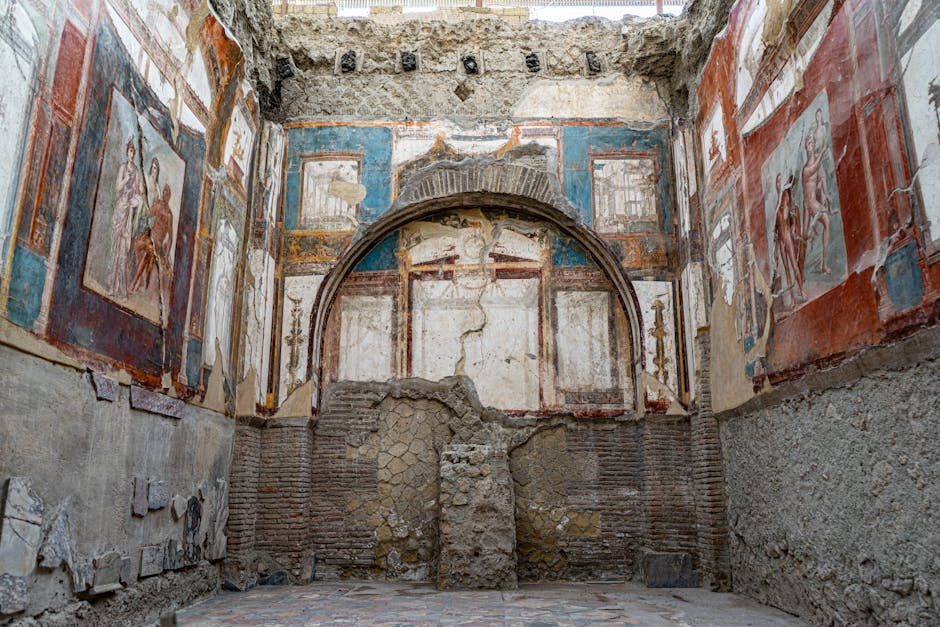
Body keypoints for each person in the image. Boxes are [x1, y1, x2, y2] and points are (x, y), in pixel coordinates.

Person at [106, 138, 144, 299]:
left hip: (128, 211)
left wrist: (138, 198)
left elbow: (139, 192)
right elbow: (117, 187)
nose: (131, 154)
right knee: (116, 247)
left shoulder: (136, 172)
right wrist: (126, 180)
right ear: (126, 152)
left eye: (133, 152)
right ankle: (111, 285)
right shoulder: (123, 168)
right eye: (129, 151)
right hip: (120, 209)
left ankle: (121, 289)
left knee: (124, 250)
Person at [801, 134, 832, 274]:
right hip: (808, 204)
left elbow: (820, 180)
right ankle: (801, 270)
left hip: (813, 202)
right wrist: (823, 151)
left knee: (826, 223)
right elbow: (813, 168)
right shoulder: (806, 169)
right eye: (808, 144)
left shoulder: (815, 165)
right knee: (804, 237)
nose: (811, 146)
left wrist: (823, 191)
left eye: (812, 143)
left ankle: (824, 265)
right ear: (806, 148)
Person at [773, 173, 805, 301]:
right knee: (786, 270)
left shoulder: (786, 195)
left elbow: (792, 211)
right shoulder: (777, 202)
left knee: (794, 265)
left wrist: (792, 226)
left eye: (780, 181)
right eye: (777, 182)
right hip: (781, 240)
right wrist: (775, 249)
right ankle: (792, 298)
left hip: (787, 236)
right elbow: (775, 229)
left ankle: (802, 291)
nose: (778, 184)